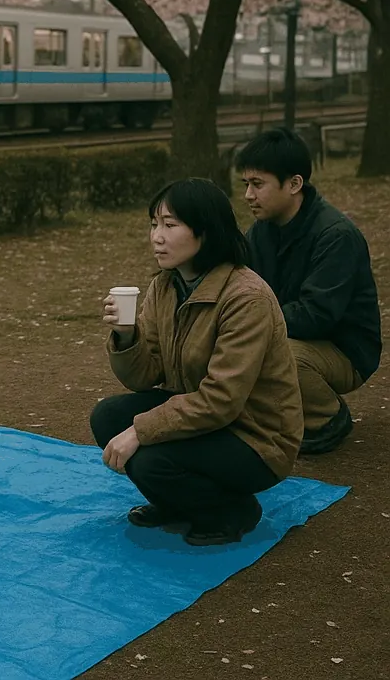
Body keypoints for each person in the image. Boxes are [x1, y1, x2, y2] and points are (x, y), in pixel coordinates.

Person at [90, 178, 303, 546]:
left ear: (205, 231)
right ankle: (176, 502)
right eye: (154, 223)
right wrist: (127, 335)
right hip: (206, 420)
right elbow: (145, 376)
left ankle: (232, 512)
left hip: (255, 436)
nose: (157, 236)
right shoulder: (166, 286)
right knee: (108, 418)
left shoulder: (245, 298)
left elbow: (221, 399)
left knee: (148, 457)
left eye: (170, 225)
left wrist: (141, 430)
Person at [236, 127, 382, 454]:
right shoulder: (261, 232)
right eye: (246, 184)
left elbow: (317, 316)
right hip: (293, 334)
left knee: (274, 350)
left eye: (257, 184)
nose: (248, 195)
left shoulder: (335, 235)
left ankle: (326, 418)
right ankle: (277, 417)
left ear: (294, 184)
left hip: (346, 350)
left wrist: (252, 323)